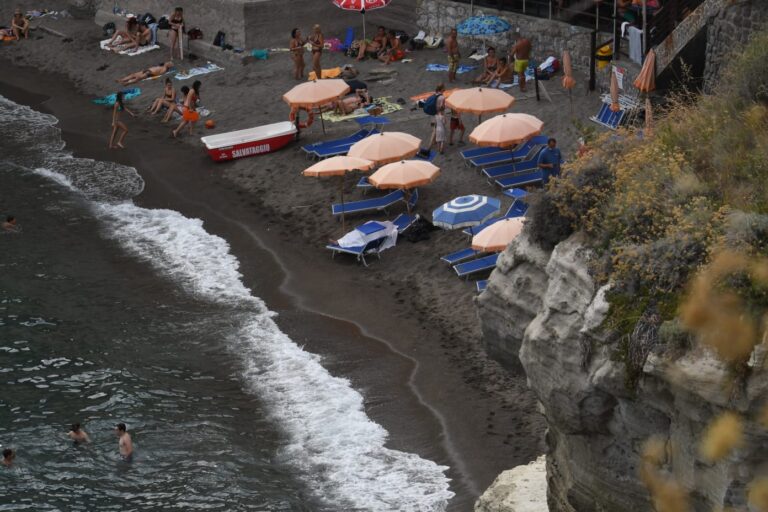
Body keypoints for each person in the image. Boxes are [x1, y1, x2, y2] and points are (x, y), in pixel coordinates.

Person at [428, 83, 447, 154]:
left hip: (434, 114)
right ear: (441, 89)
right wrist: (444, 107)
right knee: (436, 131)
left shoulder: (435, 94)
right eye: (444, 87)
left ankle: (432, 144)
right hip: (439, 114)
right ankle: (430, 146)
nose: (445, 88)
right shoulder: (442, 97)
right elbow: (442, 107)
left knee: (435, 129)